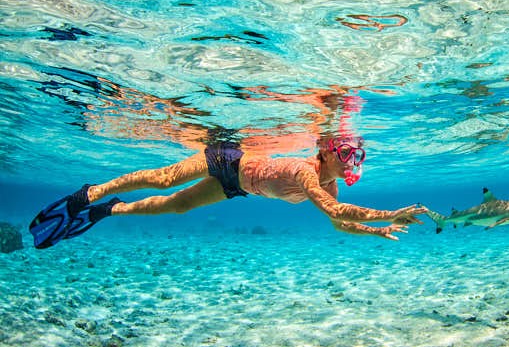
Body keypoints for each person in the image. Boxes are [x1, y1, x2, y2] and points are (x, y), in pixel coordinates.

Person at [29, 134, 428, 249]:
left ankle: (107, 211)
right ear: (324, 151)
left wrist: (378, 231)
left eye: (356, 155)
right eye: (345, 152)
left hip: (238, 188)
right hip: (228, 161)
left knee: (175, 207)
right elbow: (334, 212)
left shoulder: (330, 183)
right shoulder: (307, 173)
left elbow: (339, 224)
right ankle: (90, 194)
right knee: (166, 179)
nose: (351, 160)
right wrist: (388, 214)